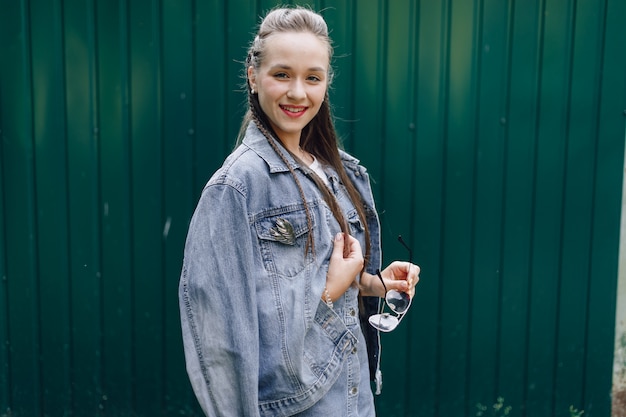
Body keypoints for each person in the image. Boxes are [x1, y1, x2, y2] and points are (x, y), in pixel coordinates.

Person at [179, 6, 420, 416]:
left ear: (326, 83)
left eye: (312, 78)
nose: (297, 93)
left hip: (350, 393)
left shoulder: (335, 169)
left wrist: (370, 284)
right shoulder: (237, 187)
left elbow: (291, 281)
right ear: (253, 76)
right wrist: (328, 291)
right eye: (281, 74)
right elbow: (219, 339)